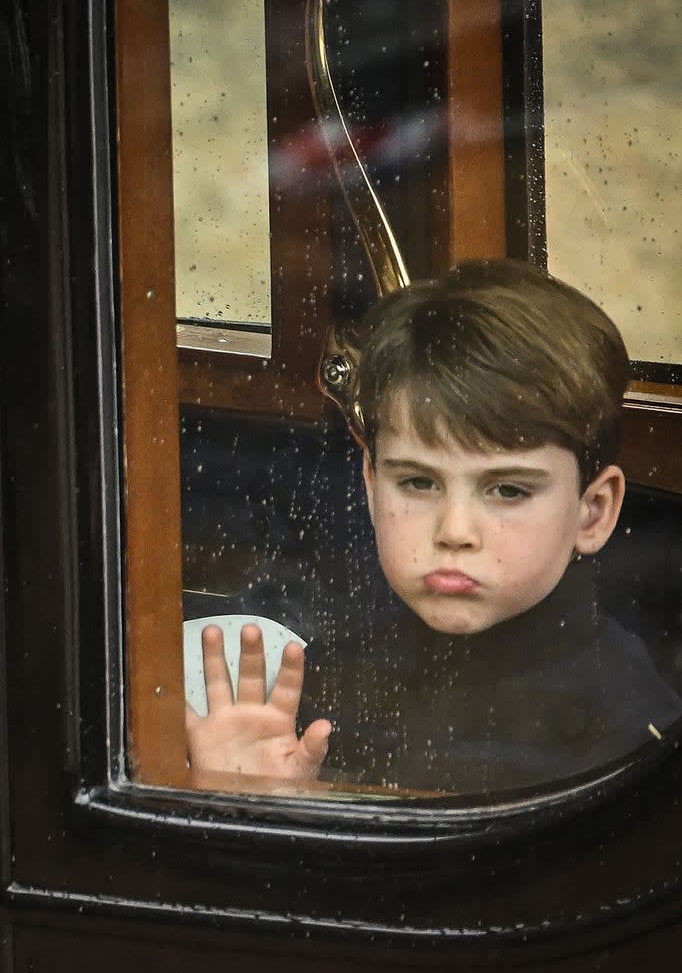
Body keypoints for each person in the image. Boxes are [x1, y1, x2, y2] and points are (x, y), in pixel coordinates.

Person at [186, 260, 682, 794]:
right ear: (372, 485)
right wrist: (253, 796)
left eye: (509, 490)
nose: (455, 530)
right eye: (419, 483)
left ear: (593, 511)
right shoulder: (328, 682)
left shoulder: (637, 738)